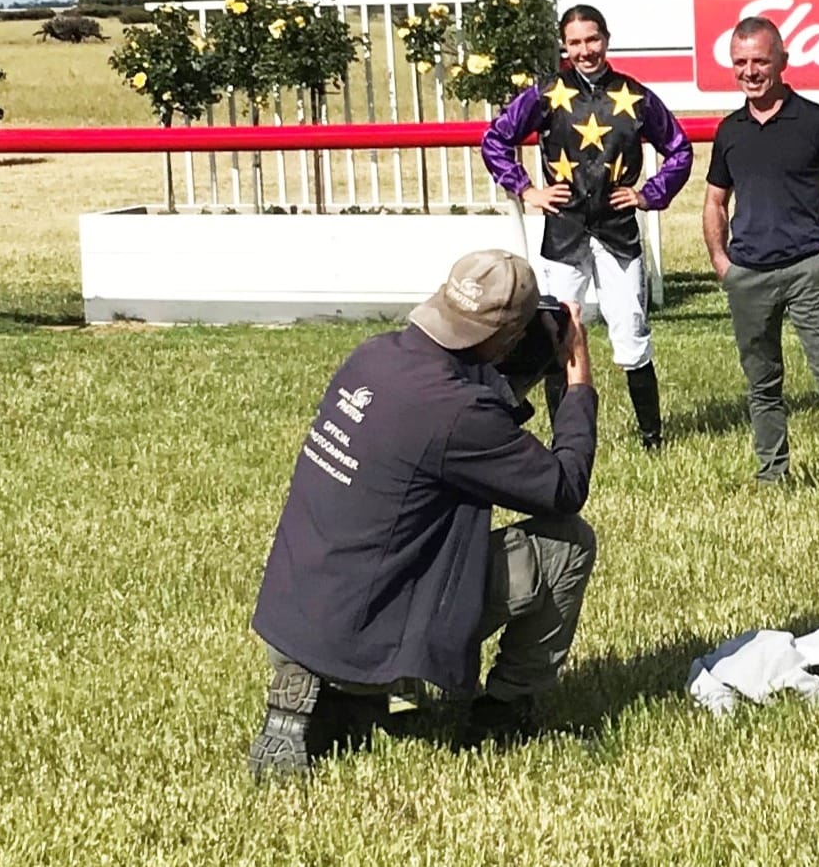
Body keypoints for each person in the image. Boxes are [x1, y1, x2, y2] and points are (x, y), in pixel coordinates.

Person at [248, 249, 599, 780]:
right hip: (369, 628)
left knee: (402, 545)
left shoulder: (373, 357)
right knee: (568, 544)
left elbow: (452, 429)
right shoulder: (456, 413)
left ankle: (325, 689)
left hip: (293, 617)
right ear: (506, 339)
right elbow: (563, 487)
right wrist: (577, 382)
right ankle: (502, 710)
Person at [482, 4, 692, 451]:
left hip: (617, 231)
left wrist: (648, 194)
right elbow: (495, 139)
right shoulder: (546, 93)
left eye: (592, 39)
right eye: (575, 42)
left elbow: (679, 149)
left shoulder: (635, 96)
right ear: (565, 45)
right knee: (559, 330)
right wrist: (526, 189)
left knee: (630, 328)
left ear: (607, 39)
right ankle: (565, 441)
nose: (585, 50)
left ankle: (653, 439)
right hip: (564, 230)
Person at [702, 16, 819, 500]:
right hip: (747, 276)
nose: (750, 71)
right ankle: (771, 474)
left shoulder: (818, 121)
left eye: (760, 60)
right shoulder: (729, 131)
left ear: (782, 61)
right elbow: (715, 200)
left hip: (807, 273)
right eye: (741, 62)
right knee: (762, 385)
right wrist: (722, 263)